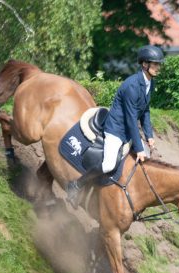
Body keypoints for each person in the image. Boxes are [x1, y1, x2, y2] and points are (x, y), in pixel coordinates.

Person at [66, 45, 164, 207]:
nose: (158, 67)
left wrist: (150, 136)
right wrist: (139, 148)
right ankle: (76, 185)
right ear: (144, 64)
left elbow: (145, 111)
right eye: (155, 64)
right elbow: (132, 119)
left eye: (158, 64)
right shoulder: (132, 86)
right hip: (116, 129)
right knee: (109, 165)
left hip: (127, 130)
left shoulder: (150, 84)